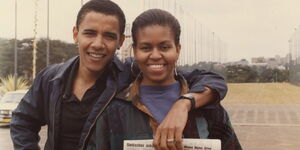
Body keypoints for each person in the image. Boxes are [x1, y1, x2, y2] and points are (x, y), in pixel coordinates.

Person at [10, 1, 227, 150]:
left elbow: (210, 80)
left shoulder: (129, 72)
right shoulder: (51, 78)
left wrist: (184, 104)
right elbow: (22, 120)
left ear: (121, 42)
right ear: (75, 34)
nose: (98, 44)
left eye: (109, 36)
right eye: (89, 33)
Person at [86, 9, 242, 150]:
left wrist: (183, 105)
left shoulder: (208, 108)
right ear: (135, 51)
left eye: (164, 47)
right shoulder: (114, 109)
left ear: (178, 50)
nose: (155, 55)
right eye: (146, 48)